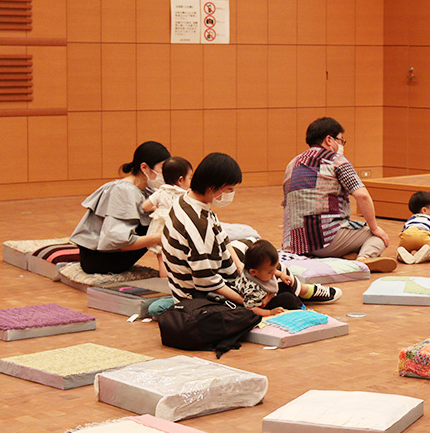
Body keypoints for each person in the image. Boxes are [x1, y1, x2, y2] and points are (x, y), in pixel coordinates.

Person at [163, 154, 340, 316]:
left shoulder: (187, 199)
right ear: (212, 187)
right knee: (266, 268)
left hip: (212, 271)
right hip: (199, 295)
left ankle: (298, 287)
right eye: (229, 189)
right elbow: (207, 282)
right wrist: (246, 302)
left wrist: (240, 266)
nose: (230, 194)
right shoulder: (198, 226)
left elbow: (222, 238)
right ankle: (302, 290)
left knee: (258, 247)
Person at [282, 117, 396, 272]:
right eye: (341, 140)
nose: (341, 145)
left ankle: (344, 255)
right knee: (377, 238)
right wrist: (374, 227)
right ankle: (362, 261)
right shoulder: (336, 160)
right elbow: (362, 195)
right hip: (326, 239)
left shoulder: (292, 164)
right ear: (329, 139)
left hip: (296, 243)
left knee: (352, 236)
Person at [70, 140, 170, 275]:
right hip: (98, 260)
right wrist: (156, 238)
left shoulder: (146, 189)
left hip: (110, 254)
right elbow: (117, 241)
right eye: (163, 168)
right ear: (144, 167)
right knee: (159, 223)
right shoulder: (123, 190)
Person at [141, 156, 193, 278]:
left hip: (161, 231)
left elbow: (145, 207)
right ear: (180, 180)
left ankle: (164, 283)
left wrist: (159, 209)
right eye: (190, 178)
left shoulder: (160, 192)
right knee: (179, 257)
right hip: (179, 229)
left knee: (162, 259)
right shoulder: (186, 195)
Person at [396, 190, 430, 264]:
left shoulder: (410, 219)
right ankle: (429, 253)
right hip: (422, 235)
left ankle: (400, 255)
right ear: (424, 210)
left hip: (407, 234)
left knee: (401, 250)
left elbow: (403, 232)